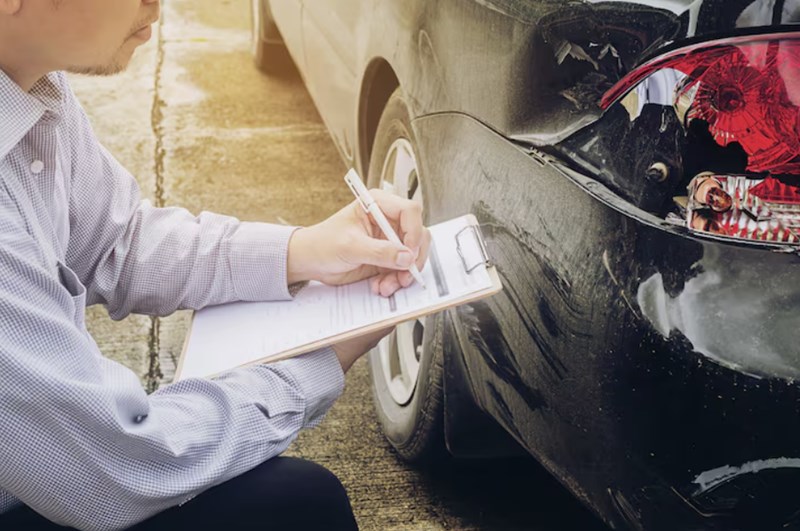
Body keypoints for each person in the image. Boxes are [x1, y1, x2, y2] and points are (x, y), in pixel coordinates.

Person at [0, 0, 431, 529]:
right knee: (300, 507)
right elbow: (113, 467)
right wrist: (315, 361)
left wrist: (306, 250)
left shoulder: (31, 87)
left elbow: (119, 241)